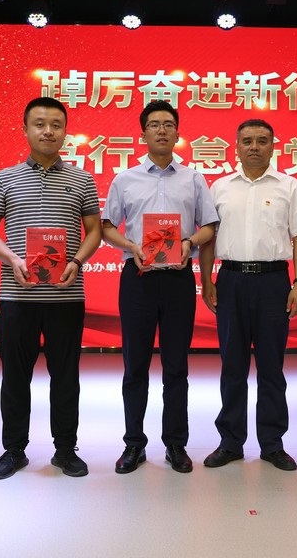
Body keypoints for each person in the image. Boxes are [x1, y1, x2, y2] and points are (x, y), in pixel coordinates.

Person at [0, 97, 102, 480]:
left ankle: (65, 449)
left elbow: (94, 231)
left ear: (65, 131)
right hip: (18, 296)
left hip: (66, 296)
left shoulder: (82, 179)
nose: (48, 131)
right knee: (15, 376)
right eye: (40, 124)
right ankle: (14, 450)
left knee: (66, 377)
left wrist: (76, 261)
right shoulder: (4, 178)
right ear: (26, 129)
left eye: (56, 125)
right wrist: (11, 259)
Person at [101, 100, 219, 475]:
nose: (162, 130)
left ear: (177, 132)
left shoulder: (194, 178)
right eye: (154, 124)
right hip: (138, 278)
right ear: (143, 134)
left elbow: (210, 225)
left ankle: (176, 444)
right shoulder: (125, 179)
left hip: (178, 279)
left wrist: (189, 242)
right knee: (134, 365)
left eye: (168, 124)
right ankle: (134, 444)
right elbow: (106, 227)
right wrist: (130, 245)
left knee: (176, 367)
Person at [198, 119, 297, 472]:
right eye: (247, 140)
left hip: (273, 282)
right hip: (231, 280)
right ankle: (230, 442)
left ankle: (272, 444)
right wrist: (206, 280)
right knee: (232, 366)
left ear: (273, 146)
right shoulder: (219, 187)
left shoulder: (290, 187)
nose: (254, 147)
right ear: (235, 146)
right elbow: (208, 238)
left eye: (262, 141)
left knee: (271, 368)